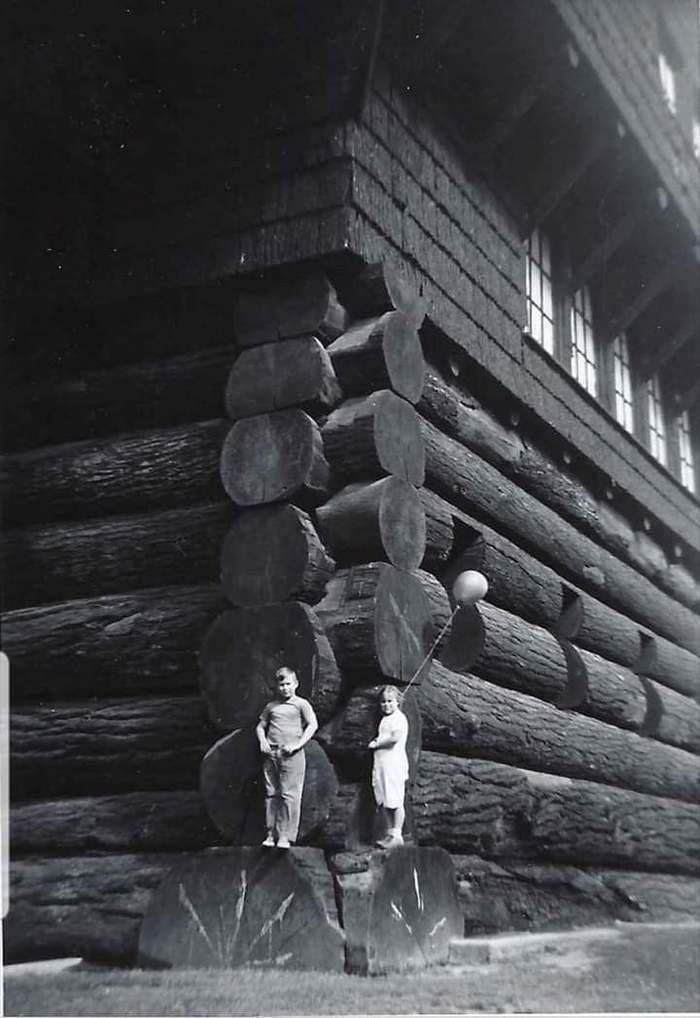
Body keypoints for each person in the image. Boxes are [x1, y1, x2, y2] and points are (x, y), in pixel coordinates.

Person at [255, 666, 318, 849]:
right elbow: (260, 726)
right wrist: (262, 742)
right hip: (271, 753)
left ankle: (285, 836)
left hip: (291, 754)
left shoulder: (301, 704)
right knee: (271, 793)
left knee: (289, 795)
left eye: (288, 684)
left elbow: (312, 725)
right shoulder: (271, 706)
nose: (285, 688)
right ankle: (270, 834)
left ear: (296, 684)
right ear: (277, 686)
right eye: (281, 685)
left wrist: (298, 744)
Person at [368, 684, 409, 849]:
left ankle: (398, 834)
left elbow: (394, 737)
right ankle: (390, 833)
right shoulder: (385, 719)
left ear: (397, 701)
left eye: (390, 701)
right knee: (384, 800)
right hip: (382, 764)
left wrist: (377, 743)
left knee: (396, 800)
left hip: (394, 764)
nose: (387, 705)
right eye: (384, 702)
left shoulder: (399, 718)